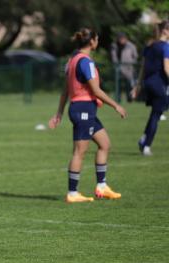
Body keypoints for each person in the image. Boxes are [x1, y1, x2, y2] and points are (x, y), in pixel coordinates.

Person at [49, 28, 127, 203]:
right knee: (79, 152)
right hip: (83, 110)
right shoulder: (85, 62)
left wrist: (60, 113)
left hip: (83, 110)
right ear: (92, 42)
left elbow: (65, 91)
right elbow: (96, 90)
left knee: (104, 144)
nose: (97, 41)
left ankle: (101, 186)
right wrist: (116, 105)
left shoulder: (72, 60)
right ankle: (72, 193)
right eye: (97, 39)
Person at [131, 21, 169, 156]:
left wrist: (138, 85)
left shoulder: (149, 45)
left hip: (148, 83)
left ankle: (144, 140)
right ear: (165, 31)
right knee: (156, 115)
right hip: (158, 85)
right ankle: (146, 145)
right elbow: (166, 68)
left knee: (156, 114)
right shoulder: (165, 47)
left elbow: (142, 67)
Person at [111, 32, 138, 102]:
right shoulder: (114, 46)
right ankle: (118, 99)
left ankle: (130, 99)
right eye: (120, 39)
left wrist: (131, 63)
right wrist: (117, 65)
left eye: (123, 39)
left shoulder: (131, 46)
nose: (122, 40)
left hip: (129, 69)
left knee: (129, 85)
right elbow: (114, 57)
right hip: (119, 69)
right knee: (118, 86)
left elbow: (135, 56)